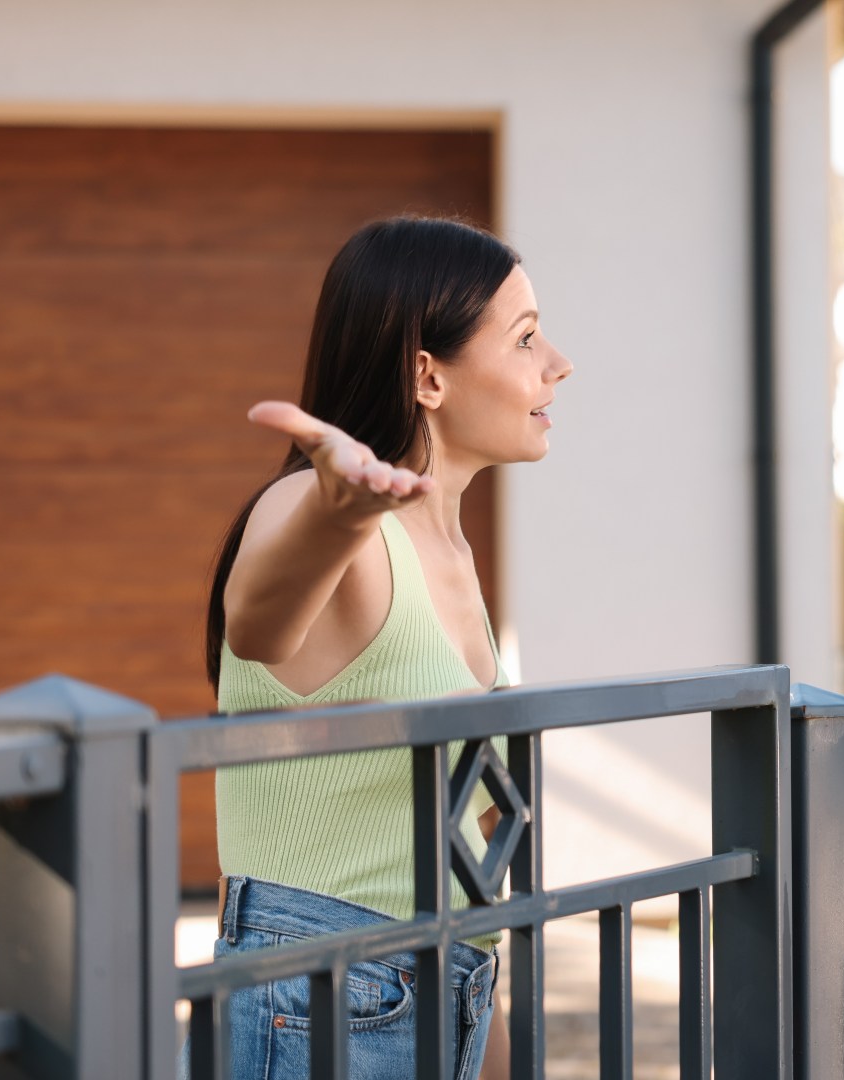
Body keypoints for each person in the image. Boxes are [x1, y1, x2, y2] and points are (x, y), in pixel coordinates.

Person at [195, 216, 572, 1079]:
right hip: (314, 1001)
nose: (557, 362)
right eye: (524, 338)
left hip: (441, 987)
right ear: (427, 375)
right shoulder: (315, 515)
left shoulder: (455, 554)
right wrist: (341, 511)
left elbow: (465, 859)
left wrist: (491, 1039)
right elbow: (256, 621)